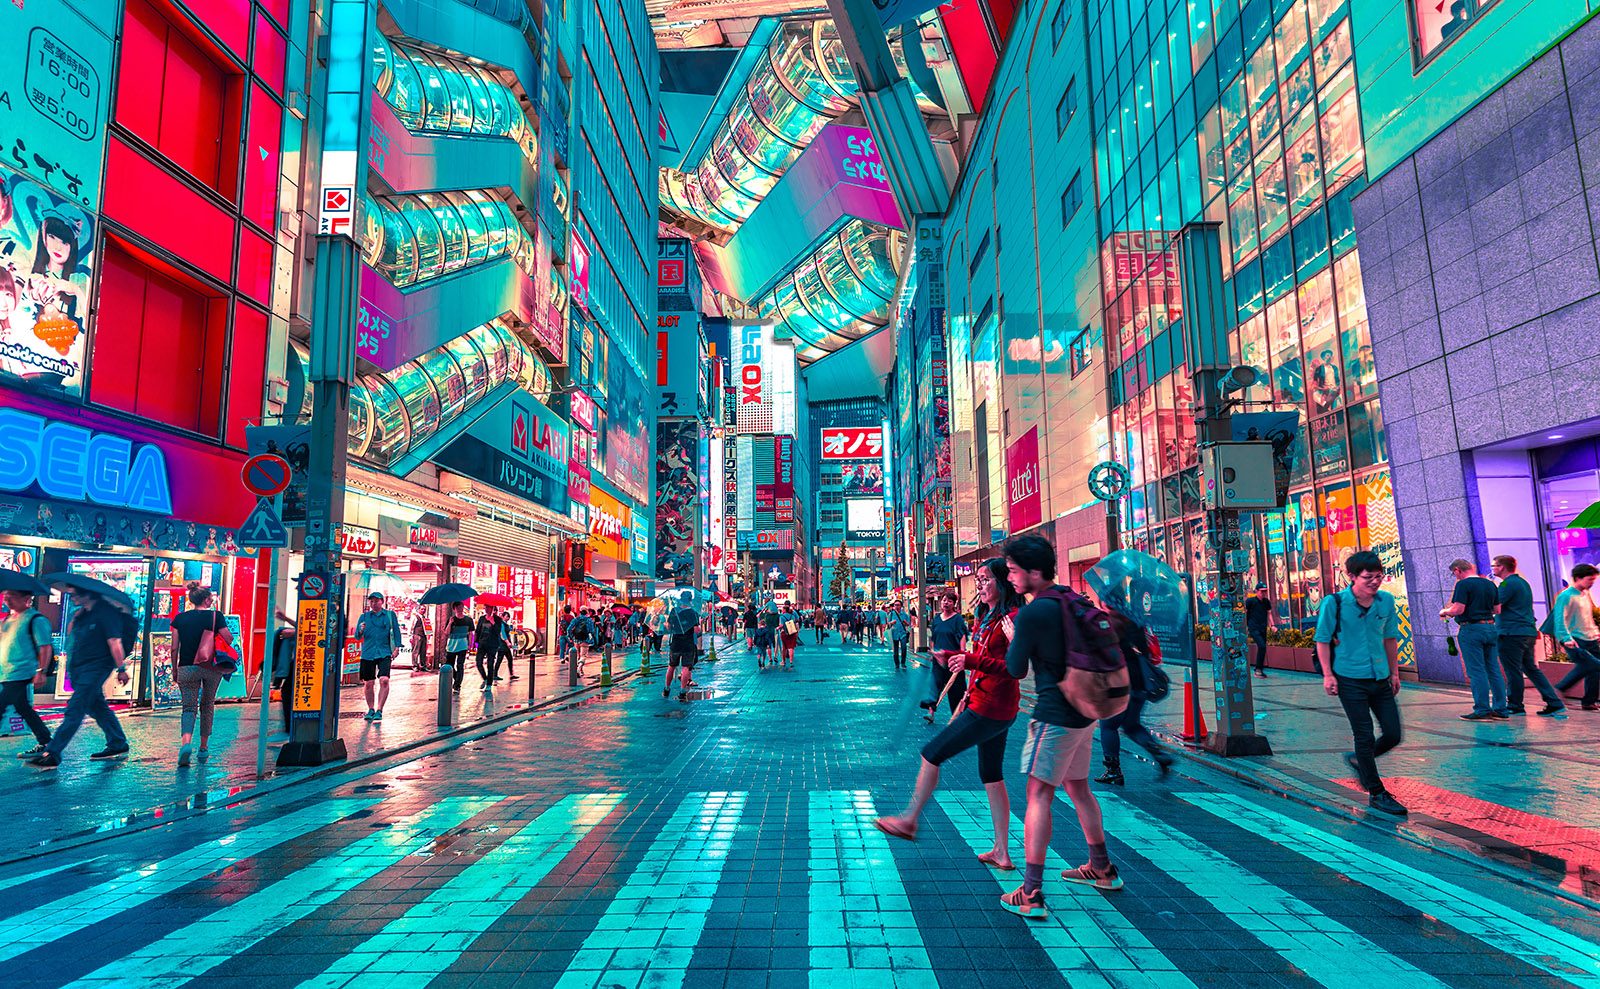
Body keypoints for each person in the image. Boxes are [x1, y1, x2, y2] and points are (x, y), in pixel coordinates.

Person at [1000, 535, 1123, 917]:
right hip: (1085, 710)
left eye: (1015, 571)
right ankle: (1101, 867)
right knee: (1079, 787)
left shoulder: (1034, 613)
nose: (1011, 578)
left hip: (1055, 715)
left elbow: (1015, 669)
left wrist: (1013, 638)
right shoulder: (1070, 598)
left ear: (1035, 572)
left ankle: (1032, 892)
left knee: (1038, 795)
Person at [875, 558, 1023, 870]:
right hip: (992, 704)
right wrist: (958, 656)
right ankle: (1002, 851)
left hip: (991, 707)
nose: (980, 585)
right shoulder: (986, 615)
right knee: (992, 775)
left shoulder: (1011, 618)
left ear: (1003, 583)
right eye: (978, 579)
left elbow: (1014, 669)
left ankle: (910, 820)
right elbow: (983, 656)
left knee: (932, 752)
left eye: (985, 579)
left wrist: (970, 663)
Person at [1315, 551, 1408, 816]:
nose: (1375, 582)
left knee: (1393, 734)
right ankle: (1377, 792)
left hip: (1380, 678)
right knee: (1364, 735)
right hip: (1349, 678)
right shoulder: (1335, 603)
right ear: (1352, 576)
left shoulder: (1386, 601)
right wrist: (1328, 675)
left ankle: (1359, 760)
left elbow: (1390, 638)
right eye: (1368, 577)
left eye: (1379, 577)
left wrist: (1395, 673)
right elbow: (1322, 639)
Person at [28, 587, 130, 769]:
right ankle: (117, 742)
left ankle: (53, 753)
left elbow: (114, 642)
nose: (71, 597)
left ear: (88, 593)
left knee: (75, 709)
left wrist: (121, 668)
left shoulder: (107, 614)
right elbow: (72, 638)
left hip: (97, 668)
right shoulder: (81, 614)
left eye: (74, 594)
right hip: (79, 669)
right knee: (97, 707)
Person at [1095, 611, 1174, 785]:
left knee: (1108, 726)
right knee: (1131, 725)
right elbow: (1146, 653)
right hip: (1140, 682)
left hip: (1119, 682)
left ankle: (1113, 770)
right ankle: (1157, 752)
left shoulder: (1108, 624)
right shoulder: (1136, 623)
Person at [1492, 555, 1564, 717]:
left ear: (1502, 567)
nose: (1493, 569)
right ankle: (1554, 702)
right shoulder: (1523, 583)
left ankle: (1515, 705)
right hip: (1527, 632)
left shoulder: (1506, 583)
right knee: (1530, 669)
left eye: (1494, 566)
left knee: (1513, 670)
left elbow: (1496, 606)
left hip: (1511, 633)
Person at [169, 583, 232, 764]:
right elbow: (228, 638)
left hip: (186, 667)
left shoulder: (179, 618)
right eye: (211, 599)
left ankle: (186, 743)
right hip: (211, 666)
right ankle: (203, 748)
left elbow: (174, 648)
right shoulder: (215, 616)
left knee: (189, 707)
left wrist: (174, 668)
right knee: (207, 704)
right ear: (206, 600)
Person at [1441, 558, 1508, 720]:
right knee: (1494, 670)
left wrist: (1445, 612)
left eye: (1454, 574)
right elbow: (1497, 609)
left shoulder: (1463, 584)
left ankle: (1482, 710)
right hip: (1490, 627)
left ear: (1457, 570)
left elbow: (1459, 608)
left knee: (1476, 670)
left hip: (1471, 629)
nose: (1455, 577)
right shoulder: (1490, 583)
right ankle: (1501, 709)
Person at [1, 587, 53, 759]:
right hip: (6, 672)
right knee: (23, 708)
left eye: (12, 596)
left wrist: (41, 671)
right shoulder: (8, 619)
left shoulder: (36, 620)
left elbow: (45, 647)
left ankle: (47, 742)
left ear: (27, 598)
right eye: (6, 595)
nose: (8, 599)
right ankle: (46, 742)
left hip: (21, 672)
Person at [1551, 563, 1600, 711]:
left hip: (1590, 637)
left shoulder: (1585, 594)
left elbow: (1587, 617)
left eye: (1594, 579)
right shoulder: (1565, 596)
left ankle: (1589, 701)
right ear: (1578, 578)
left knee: (1595, 669)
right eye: (1589, 579)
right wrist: (1566, 638)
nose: (1592, 582)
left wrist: (1596, 632)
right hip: (1575, 639)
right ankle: (1560, 688)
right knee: (1592, 665)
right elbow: (1559, 618)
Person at [356, 592, 400, 719]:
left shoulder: (390, 615)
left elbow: (396, 631)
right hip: (368, 653)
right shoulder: (364, 617)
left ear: (382, 601)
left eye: (376, 601)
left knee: (384, 680)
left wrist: (397, 648)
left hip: (384, 652)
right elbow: (357, 637)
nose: (373, 604)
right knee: (369, 683)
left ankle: (380, 709)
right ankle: (371, 709)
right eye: (371, 601)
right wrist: (361, 630)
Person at [927, 593, 968, 713]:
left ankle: (957, 715)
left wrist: (962, 653)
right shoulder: (937, 618)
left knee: (956, 690)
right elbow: (934, 636)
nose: (946, 602)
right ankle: (931, 712)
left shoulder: (957, 619)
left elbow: (962, 636)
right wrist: (933, 651)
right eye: (944, 600)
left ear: (954, 604)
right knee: (935, 685)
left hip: (953, 659)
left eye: (949, 601)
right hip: (938, 659)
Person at [664, 599, 699, 700]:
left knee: (671, 666)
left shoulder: (674, 611)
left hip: (676, 642)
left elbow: (669, 627)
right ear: (690, 601)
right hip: (688, 643)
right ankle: (683, 691)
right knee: (685, 667)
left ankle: (667, 689)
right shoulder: (693, 612)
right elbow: (696, 630)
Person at [445, 601, 474, 692]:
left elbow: (470, 633)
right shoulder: (451, 620)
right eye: (457, 608)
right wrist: (450, 623)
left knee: (460, 665)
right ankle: (456, 677)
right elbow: (446, 632)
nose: (460, 609)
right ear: (454, 609)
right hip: (451, 646)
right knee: (450, 665)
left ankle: (457, 685)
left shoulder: (468, 620)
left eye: (461, 607)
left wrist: (470, 645)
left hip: (463, 645)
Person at [474, 604, 504, 688]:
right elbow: (477, 631)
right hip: (482, 643)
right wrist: (475, 642)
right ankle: (485, 678)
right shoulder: (482, 618)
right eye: (486, 607)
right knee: (478, 662)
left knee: (490, 664)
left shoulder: (497, 619)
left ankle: (489, 684)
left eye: (489, 607)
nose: (487, 609)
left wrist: (493, 623)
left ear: (493, 608)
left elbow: (498, 631)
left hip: (492, 644)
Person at [1247, 584, 1273, 678]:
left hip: (1263, 627)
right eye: (1262, 591)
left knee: (1263, 647)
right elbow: (1245, 613)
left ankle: (1259, 669)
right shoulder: (1251, 601)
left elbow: (1269, 613)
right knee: (1262, 646)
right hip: (1253, 627)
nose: (1264, 593)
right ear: (1256, 591)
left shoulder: (1266, 601)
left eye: (1265, 591)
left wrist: (1272, 625)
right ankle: (1258, 670)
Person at [567, 607, 595, 672]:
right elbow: (592, 631)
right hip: (585, 639)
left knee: (577, 655)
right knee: (583, 655)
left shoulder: (576, 619)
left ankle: (578, 669)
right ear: (586, 612)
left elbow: (569, 629)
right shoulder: (589, 620)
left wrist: (570, 636)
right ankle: (579, 668)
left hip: (576, 639)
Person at [888, 601, 911, 669]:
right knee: (896, 650)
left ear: (901, 606)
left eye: (898, 605)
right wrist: (891, 622)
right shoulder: (891, 614)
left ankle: (903, 663)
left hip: (903, 633)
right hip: (894, 634)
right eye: (895, 605)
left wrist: (904, 622)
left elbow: (908, 624)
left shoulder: (904, 614)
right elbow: (888, 623)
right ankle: (897, 664)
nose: (896, 606)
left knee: (904, 648)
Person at [779, 602, 799, 670]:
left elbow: (781, 625)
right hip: (792, 632)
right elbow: (796, 620)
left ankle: (783, 661)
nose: (782, 610)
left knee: (784, 647)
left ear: (784, 610)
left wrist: (777, 628)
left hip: (784, 632)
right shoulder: (792, 616)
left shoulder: (782, 616)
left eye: (782, 609)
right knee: (791, 647)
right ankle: (791, 661)